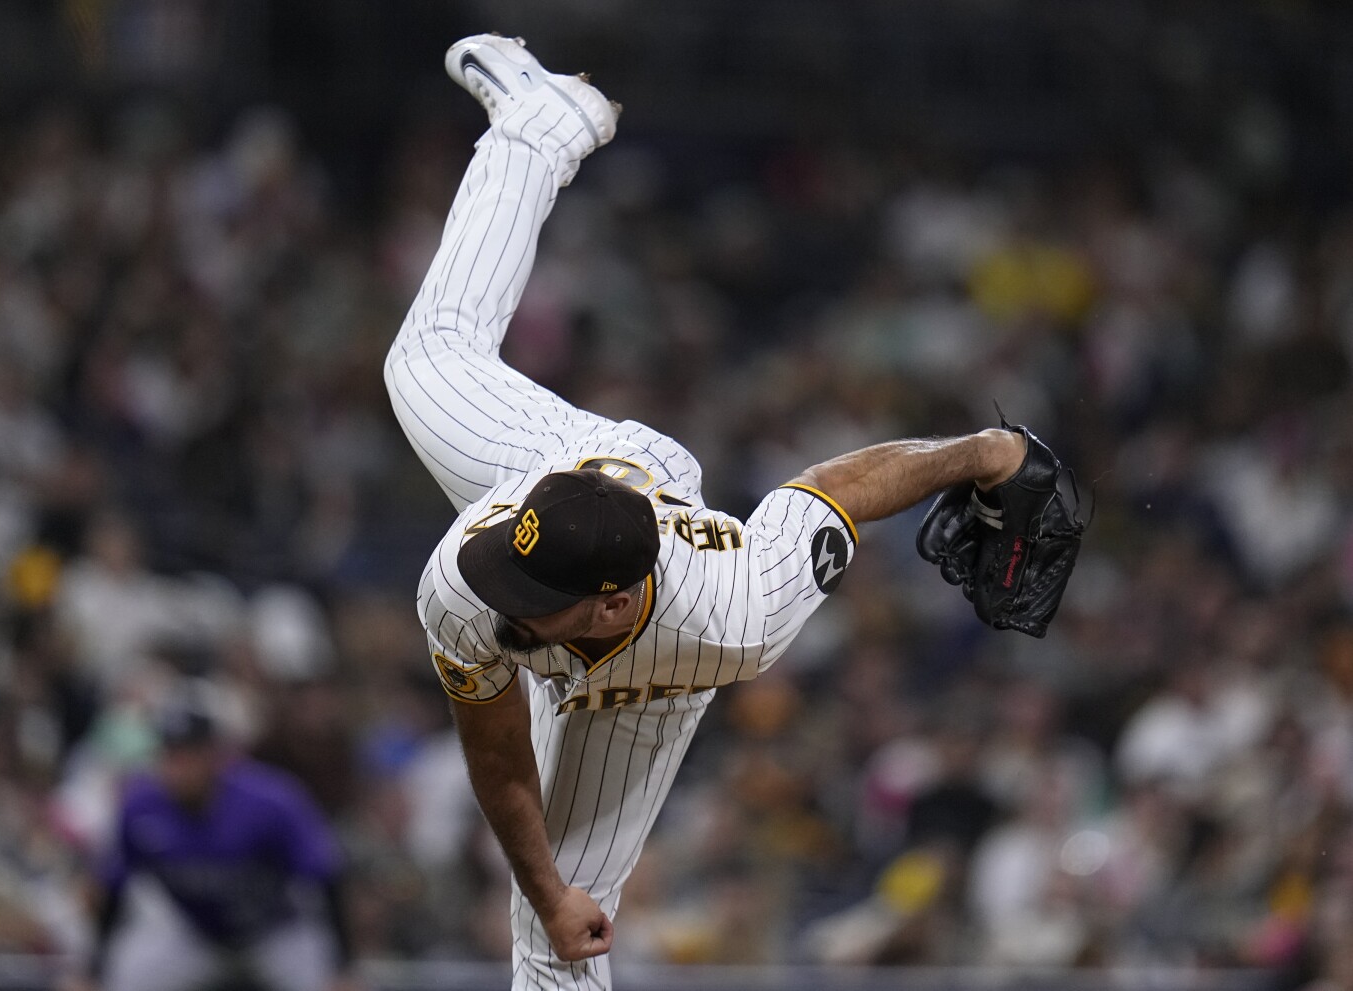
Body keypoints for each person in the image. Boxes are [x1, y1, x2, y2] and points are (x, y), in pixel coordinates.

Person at [383, 34, 1027, 989]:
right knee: (424, 359)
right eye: (506, 578)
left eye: (529, 595)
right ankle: (539, 127)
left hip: (652, 637)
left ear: (603, 606)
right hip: (566, 477)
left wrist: (978, 454)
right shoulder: (467, 578)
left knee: (555, 931)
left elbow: (829, 492)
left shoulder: (730, 616)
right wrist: (987, 454)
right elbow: (501, 761)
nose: (500, 599)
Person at [74, 689, 355, 991]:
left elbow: (328, 878)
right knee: (121, 980)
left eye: (189, 754)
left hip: (276, 934)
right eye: (170, 753)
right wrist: (93, 971)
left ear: (216, 755)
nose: (178, 766)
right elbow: (116, 889)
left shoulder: (271, 800)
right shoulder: (141, 805)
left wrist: (343, 967)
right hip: (196, 936)